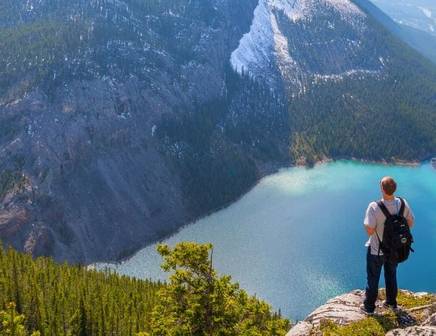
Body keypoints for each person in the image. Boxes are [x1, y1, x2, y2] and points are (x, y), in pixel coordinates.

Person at [362, 176, 415, 315]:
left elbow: (370, 230)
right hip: (394, 250)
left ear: (382, 189)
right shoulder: (403, 203)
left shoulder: (374, 206)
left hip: (376, 250)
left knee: (373, 278)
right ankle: (391, 303)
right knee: (391, 275)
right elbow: (410, 223)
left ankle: (369, 308)